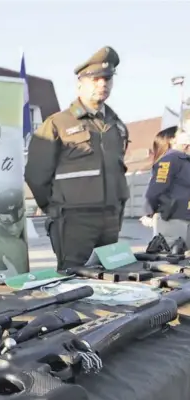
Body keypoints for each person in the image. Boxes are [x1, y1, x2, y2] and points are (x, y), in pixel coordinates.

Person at [25, 46, 129, 270]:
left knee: (111, 280)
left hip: (110, 220)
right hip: (74, 221)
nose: (103, 84)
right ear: (79, 83)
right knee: (73, 282)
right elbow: (36, 175)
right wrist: (56, 208)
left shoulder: (116, 125)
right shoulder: (58, 124)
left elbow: (118, 170)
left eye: (108, 79)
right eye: (96, 79)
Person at [140, 127, 190, 244]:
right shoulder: (169, 159)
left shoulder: (185, 161)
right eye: (182, 133)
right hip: (173, 219)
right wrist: (149, 213)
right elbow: (156, 189)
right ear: (172, 140)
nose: (187, 135)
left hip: (184, 217)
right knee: (172, 257)